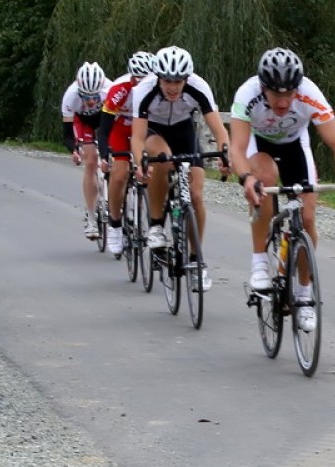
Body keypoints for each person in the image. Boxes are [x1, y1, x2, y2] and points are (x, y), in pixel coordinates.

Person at [229, 47, 335, 332]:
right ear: (263, 88)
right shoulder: (247, 94)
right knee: (262, 177)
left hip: (295, 146)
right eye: (276, 94)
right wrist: (246, 178)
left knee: (308, 219)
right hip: (259, 146)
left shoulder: (310, 93)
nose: (284, 101)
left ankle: (304, 294)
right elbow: (237, 148)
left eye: (289, 94)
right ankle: (260, 261)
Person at [130, 45, 231, 291]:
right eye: (167, 81)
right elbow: (137, 137)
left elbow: (219, 130)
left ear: (187, 78)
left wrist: (225, 155)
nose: (173, 87)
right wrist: (138, 162)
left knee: (195, 196)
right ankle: (155, 225)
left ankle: (196, 262)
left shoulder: (199, 86)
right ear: (158, 77)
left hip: (184, 131)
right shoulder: (145, 90)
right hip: (154, 131)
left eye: (178, 81)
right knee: (162, 160)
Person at [96, 51, 155, 256]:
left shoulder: (157, 89)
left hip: (145, 130)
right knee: (119, 174)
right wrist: (105, 155)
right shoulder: (119, 90)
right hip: (120, 129)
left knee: (153, 169)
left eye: (145, 81)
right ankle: (114, 224)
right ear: (131, 77)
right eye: (136, 81)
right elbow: (103, 130)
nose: (141, 86)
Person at [61, 61, 112, 240]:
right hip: (83, 122)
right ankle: (91, 218)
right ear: (79, 90)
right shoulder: (70, 96)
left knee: (114, 158)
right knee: (90, 162)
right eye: (86, 96)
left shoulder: (110, 89)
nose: (91, 101)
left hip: (105, 118)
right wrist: (74, 150)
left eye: (95, 97)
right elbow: (67, 134)